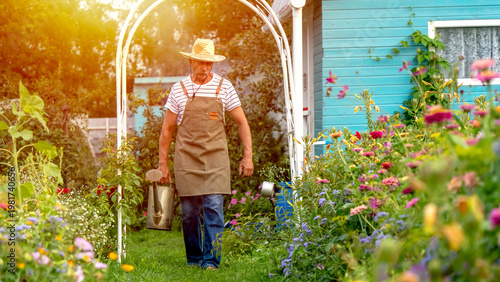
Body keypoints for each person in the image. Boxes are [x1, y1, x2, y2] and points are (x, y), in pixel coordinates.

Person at [158, 38, 254, 270]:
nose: (204, 68)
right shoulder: (179, 90)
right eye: (201, 63)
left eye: (209, 64)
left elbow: (242, 123)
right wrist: (163, 164)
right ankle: (194, 258)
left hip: (215, 158)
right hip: (186, 157)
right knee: (189, 212)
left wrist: (247, 156)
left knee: (213, 209)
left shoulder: (224, 87)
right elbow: (167, 129)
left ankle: (211, 260)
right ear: (191, 61)